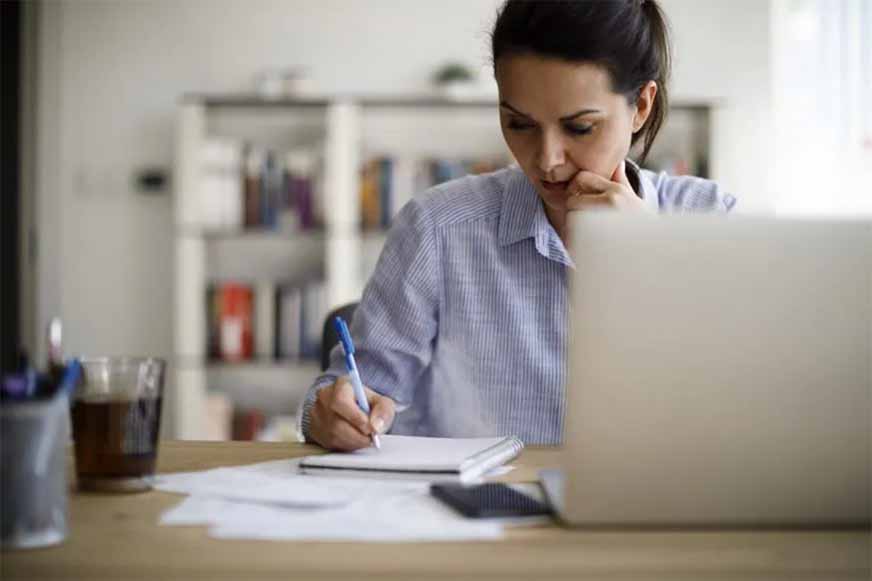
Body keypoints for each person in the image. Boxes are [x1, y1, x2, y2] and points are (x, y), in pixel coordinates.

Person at [299, 0, 737, 451]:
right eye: (519, 124)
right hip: (474, 495)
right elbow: (349, 391)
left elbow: (739, 409)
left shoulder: (711, 219)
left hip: (652, 493)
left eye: (580, 128)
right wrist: (329, 413)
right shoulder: (438, 228)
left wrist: (654, 260)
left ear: (641, 106)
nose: (547, 160)